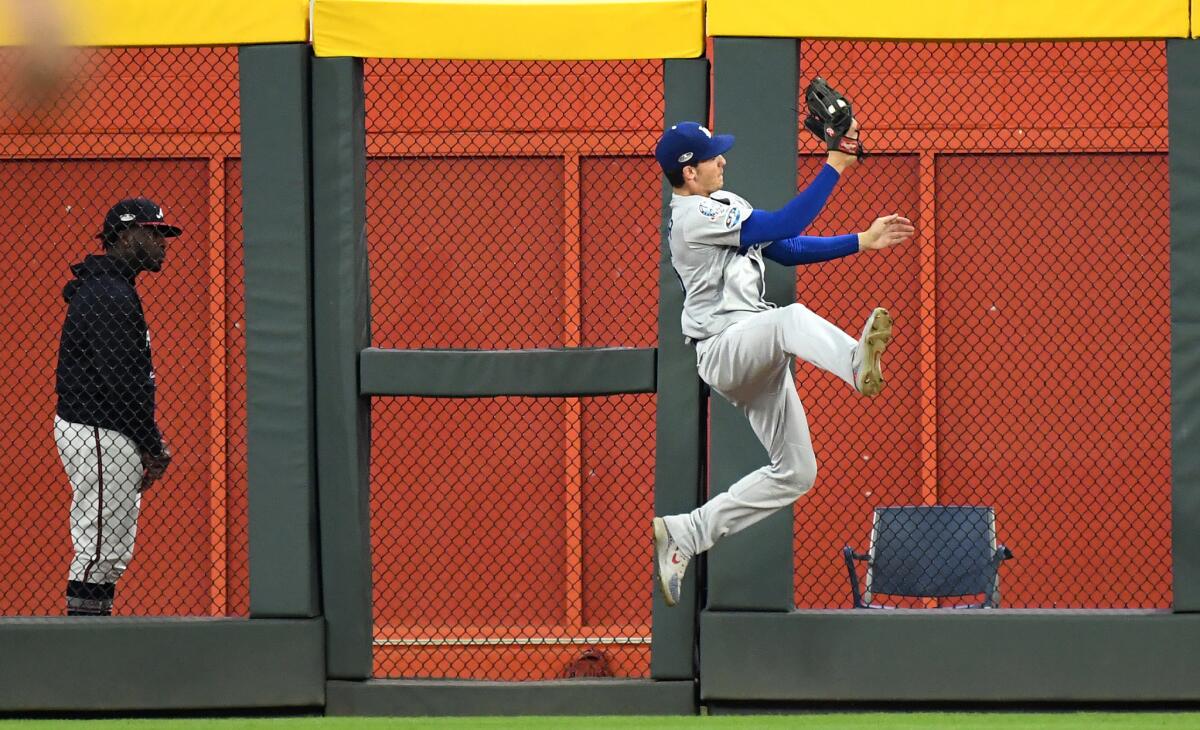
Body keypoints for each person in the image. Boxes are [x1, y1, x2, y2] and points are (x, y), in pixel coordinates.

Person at [651, 121, 914, 607]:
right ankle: (855, 364)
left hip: (753, 347)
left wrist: (861, 240)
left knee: (797, 471)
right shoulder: (691, 216)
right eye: (712, 156)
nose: (722, 160)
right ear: (688, 173)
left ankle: (688, 532)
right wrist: (834, 166)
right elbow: (785, 225)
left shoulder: (723, 204)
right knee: (789, 319)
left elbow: (785, 249)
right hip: (724, 348)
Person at [54, 198, 178, 616]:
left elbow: (125, 382)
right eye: (153, 232)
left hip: (109, 429)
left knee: (111, 550)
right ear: (124, 236)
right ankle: (80, 655)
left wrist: (145, 438)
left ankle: (93, 647)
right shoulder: (107, 294)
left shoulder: (113, 287)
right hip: (99, 429)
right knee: (99, 548)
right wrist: (152, 443)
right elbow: (121, 383)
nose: (162, 242)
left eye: (163, 233)